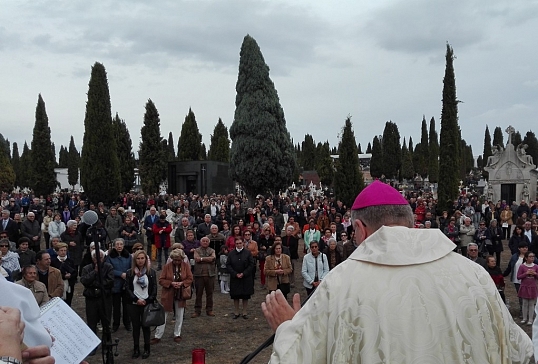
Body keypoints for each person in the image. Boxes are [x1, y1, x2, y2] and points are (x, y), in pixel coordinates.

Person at [262, 180, 533, 363]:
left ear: (359, 229)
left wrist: (289, 330)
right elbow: (518, 350)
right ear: (411, 222)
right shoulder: (474, 275)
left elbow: (299, 357)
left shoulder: (340, 285)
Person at [152, 248, 193, 345]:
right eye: (175, 260)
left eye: (179, 260)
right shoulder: (167, 267)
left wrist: (182, 283)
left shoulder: (186, 266)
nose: (177, 262)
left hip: (180, 294)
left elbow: (190, 278)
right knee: (163, 315)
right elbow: (161, 280)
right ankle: (158, 335)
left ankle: (177, 334)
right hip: (168, 293)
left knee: (180, 315)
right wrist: (171, 283)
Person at [125, 250, 158, 359]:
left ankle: (147, 348)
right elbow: (128, 288)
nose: (140, 261)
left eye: (142, 258)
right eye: (138, 258)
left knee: (146, 326)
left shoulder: (151, 273)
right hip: (133, 303)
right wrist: (136, 299)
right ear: (135, 260)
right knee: (136, 327)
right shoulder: (130, 272)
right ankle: (136, 348)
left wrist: (147, 300)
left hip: (146, 303)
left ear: (145, 259)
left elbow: (154, 289)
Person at [80, 249, 114, 351]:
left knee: (106, 323)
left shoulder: (109, 267)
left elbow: (110, 282)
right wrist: (95, 272)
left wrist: (95, 284)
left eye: (100, 257)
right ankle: (93, 346)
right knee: (91, 323)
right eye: (96, 257)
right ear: (92, 258)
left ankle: (106, 344)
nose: (98, 259)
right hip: (91, 299)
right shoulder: (87, 268)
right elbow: (84, 281)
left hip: (105, 299)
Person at [106, 238, 132, 332]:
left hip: (126, 284)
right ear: (114, 246)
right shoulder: (110, 257)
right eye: (117, 244)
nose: (119, 246)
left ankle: (127, 323)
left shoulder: (128, 256)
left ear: (123, 245)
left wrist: (127, 274)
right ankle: (115, 324)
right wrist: (120, 274)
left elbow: (132, 267)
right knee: (116, 306)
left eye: (121, 244)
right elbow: (109, 269)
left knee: (127, 306)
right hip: (115, 284)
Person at [226, 237, 255, 319]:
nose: (238, 245)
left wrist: (244, 273)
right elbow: (228, 265)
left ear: (243, 243)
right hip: (235, 277)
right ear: (235, 244)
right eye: (237, 243)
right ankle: (236, 312)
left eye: (240, 243)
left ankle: (244, 312)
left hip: (246, 277)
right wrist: (235, 274)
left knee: (245, 295)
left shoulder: (248, 253)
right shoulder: (231, 253)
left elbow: (251, 264)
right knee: (236, 295)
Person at [192, 236, 216, 317]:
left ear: (209, 242)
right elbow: (196, 258)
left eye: (206, 241)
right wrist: (207, 259)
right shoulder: (196, 250)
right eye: (203, 241)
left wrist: (201, 259)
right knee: (198, 294)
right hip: (199, 275)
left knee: (210, 293)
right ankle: (197, 310)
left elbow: (213, 258)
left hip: (210, 275)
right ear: (200, 242)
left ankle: (209, 309)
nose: (205, 242)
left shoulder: (212, 250)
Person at [517, 251, 538, 325]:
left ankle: (530, 319)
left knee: (531, 303)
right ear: (526, 258)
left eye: (533, 256)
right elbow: (518, 277)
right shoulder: (522, 266)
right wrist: (526, 273)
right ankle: (524, 318)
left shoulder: (535, 266)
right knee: (525, 303)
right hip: (524, 287)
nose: (532, 258)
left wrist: (535, 274)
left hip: (532, 287)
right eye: (530, 257)